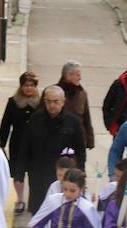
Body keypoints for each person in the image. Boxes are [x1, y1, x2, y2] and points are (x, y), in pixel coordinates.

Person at [26, 84, 87, 213]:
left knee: (59, 210)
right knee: (38, 209)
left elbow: (80, 150)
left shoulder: (73, 122)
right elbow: (26, 145)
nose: (52, 106)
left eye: (56, 102)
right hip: (38, 173)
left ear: (63, 102)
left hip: (61, 175)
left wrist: (80, 172)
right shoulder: (35, 119)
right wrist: (20, 170)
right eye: (48, 102)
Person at [0, 71, 40, 213]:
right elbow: (5, 124)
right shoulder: (13, 102)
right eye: (26, 85)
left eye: (32, 85)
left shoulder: (41, 103)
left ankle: (35, 200)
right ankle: (20, 199)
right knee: (18, 172)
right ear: (21, 86)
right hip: (18, 143)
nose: (29, 88)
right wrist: (1, 144)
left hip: (36, 144)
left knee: (35, 172)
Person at [57, 60, 96, 150]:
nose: (80, 78)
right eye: (77, 75)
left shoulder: (82, 94)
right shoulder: (53, 92)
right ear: (68, 76)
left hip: (76, 141)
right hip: (57, 140)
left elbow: (87, 118)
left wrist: (90, 140)